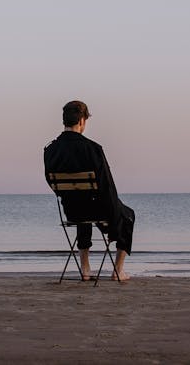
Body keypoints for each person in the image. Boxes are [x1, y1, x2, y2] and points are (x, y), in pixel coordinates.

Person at [44, 99, 135, 282]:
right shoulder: (93, 149)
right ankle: (118, 271)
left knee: (81, 209)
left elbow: (52, 184)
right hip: (97, 209)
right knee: (129, 215)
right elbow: (107, 187)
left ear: (65, 121)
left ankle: (85, 268)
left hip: (71, 211)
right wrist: (114, 223)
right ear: (82, 121)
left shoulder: (50, 150)